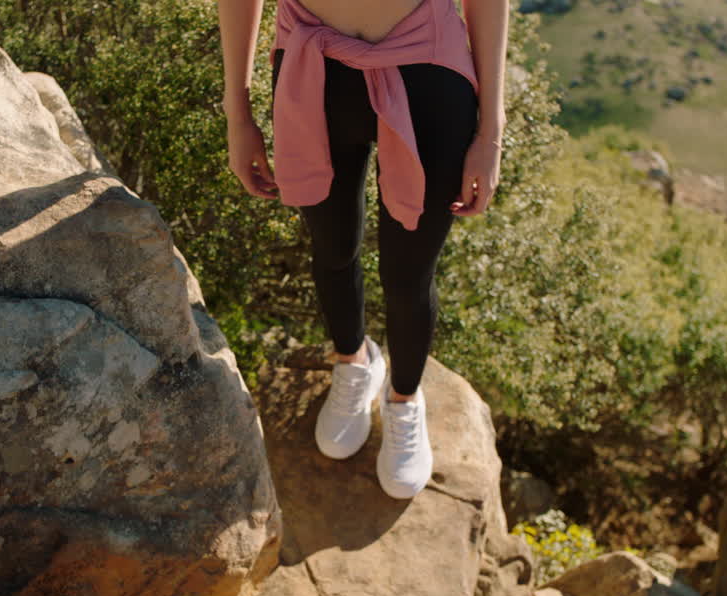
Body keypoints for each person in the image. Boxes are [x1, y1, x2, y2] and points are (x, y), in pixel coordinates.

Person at [217, 0, 509, 498]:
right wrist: (238, 112)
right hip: (312, 58)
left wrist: (491, 131)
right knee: (331, 246)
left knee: (409, 275)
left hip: (427, 67)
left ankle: (403, 397)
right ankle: (354, 360)